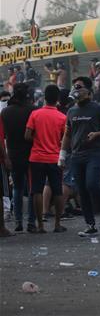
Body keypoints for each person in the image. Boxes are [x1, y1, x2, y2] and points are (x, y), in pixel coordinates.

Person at [60, 76, 100, 237]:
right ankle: (90, 224)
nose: (76, 90)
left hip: (95, 154)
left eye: (79, 87)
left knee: (91, 184)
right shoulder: (71, 111)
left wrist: (98, 134)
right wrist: (62, 156)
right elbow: (67, 135)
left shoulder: (97, 109)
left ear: (88, 91)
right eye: (74, 87)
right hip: (76, 156)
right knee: (81, 190)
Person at [1, 83, 35, 232]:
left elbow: (4, 137)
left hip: (13, 155)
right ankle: (32, 222)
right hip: (31, 154)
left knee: (17, 188)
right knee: (33, 188)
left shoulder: (5, 112)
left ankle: (18, 222)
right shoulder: (32, 111)